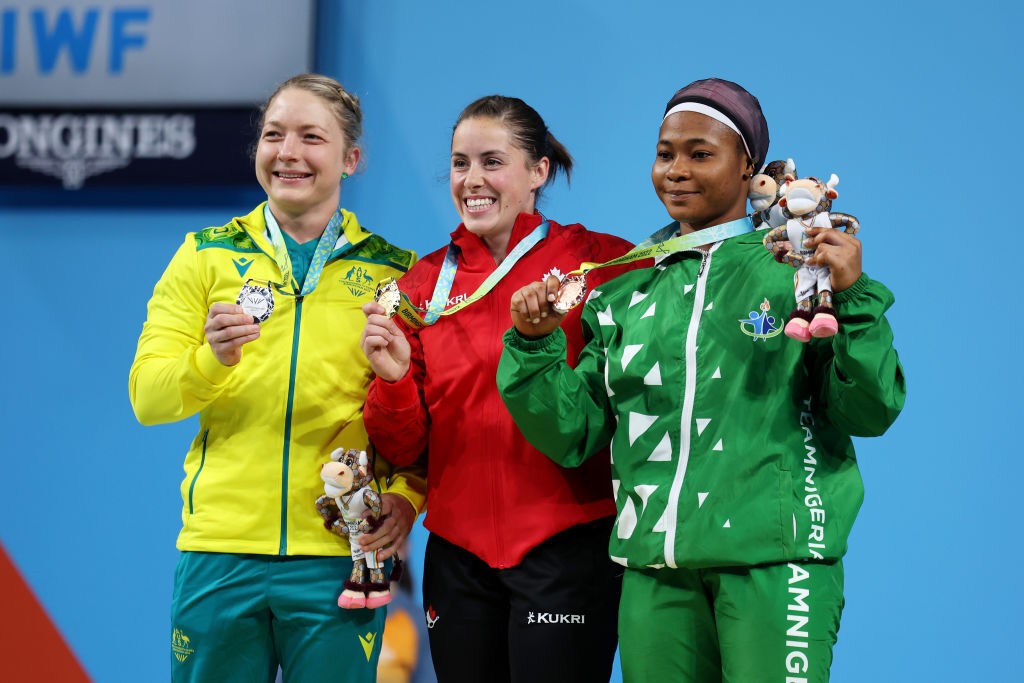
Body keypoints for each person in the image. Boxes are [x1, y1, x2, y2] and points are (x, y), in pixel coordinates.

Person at [497, 78, 906, 682]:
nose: (677, 170)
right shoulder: (626, 290)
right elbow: (573, 432)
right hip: (654, 569)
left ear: (751, 169)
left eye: (701, 153)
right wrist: (534, 347)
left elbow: (868, 412)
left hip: (775, 561)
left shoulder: (798, 270)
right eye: (666, 154)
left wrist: (852, 302)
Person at [129, 73, 426, 683]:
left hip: (338, 553)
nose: (287, 152)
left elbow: (422, 413)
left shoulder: (397, 274)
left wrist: (408, 498)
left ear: (352, 159)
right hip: (220, 551)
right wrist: (212, 359)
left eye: (311, 137)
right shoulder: (204, 255)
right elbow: (148, 398)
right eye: (273, 135)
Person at [359, 95, 637, 683]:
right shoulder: (422, 286)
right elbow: (404, 447)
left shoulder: (600, 264)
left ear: (538, 172)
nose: (472, 180)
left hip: (566, 546)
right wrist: (390, 380)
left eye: (492, 161)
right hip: (458, 557)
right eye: (461, 164)